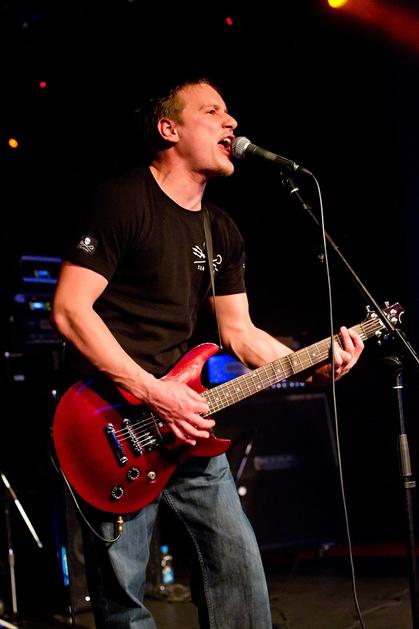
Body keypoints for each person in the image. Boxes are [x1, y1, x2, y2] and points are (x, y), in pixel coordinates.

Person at [50, 76, 364, 629]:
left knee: (239, 578)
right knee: (124, 606)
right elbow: (71, 310)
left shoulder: (221, 230)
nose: (231, 122)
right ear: (169, 129)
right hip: (111, 423)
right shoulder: (122, 201)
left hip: (189, 426)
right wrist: (154, 392)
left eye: (230, 113)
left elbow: (239, 334)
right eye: (213, 111)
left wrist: (314, 365)